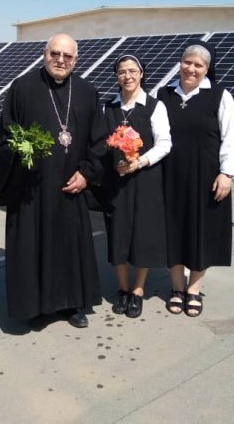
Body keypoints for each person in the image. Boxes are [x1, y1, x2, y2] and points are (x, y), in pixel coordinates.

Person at [0, 33, 105, 328]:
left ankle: (71, 305)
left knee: (69, 248)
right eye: (55, 53)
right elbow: (6, 133)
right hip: (32, 189)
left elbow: (100, 140)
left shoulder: (87, 91)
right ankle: (36, 307)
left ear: (76, 60)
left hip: (72, 186)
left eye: (67, 56)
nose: (61, 60)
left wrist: (87, 173)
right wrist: (20, 155)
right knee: (34, 247)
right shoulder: (23, 88)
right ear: (45, 54)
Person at [157, 41, 234, 317]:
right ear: (180, 63)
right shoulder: (164, 94)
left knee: (202, 234)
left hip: (207, 178)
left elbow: (231, 137)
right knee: (173, 232)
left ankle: (193, 290)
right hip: (171, 177)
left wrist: (226, 173)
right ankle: (176, 288)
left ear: (207, 68)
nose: (191, 69)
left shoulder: (219, 95)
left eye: (199, 65)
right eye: (187, 62)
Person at [100, 54, 172, 318]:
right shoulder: (108, 107)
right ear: (116, 75)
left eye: (132, 71)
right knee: (117, 233)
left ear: (141, 73)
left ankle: (138, 290)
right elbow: (100, 141)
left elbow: (165, 143)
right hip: (116, 181)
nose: (127, 76)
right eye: (121, 71)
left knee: (143, 235)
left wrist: (139, 162)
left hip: (145, 179)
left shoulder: (155, 106)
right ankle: (122, 287)